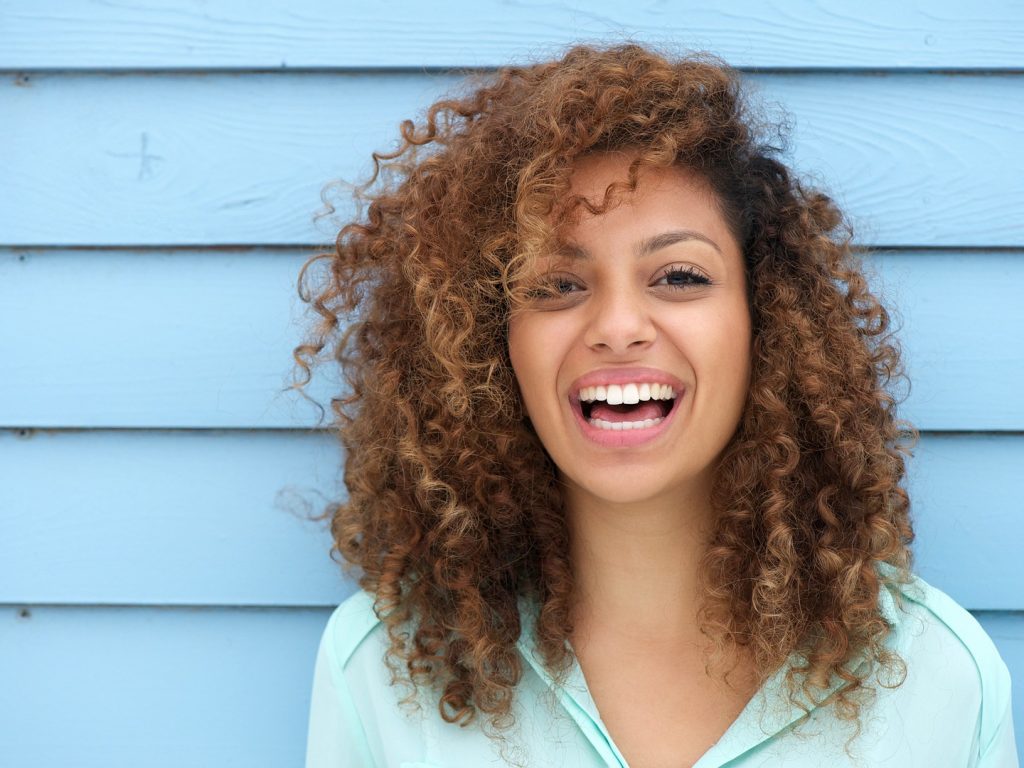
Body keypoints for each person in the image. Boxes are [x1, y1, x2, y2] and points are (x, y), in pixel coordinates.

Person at [293, 43, 1018, 767]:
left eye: (677, 276)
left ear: (764, 320)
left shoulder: (937, 678)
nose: (616, 328)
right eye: (555, 285)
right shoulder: (382, 669)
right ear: (489, 344)